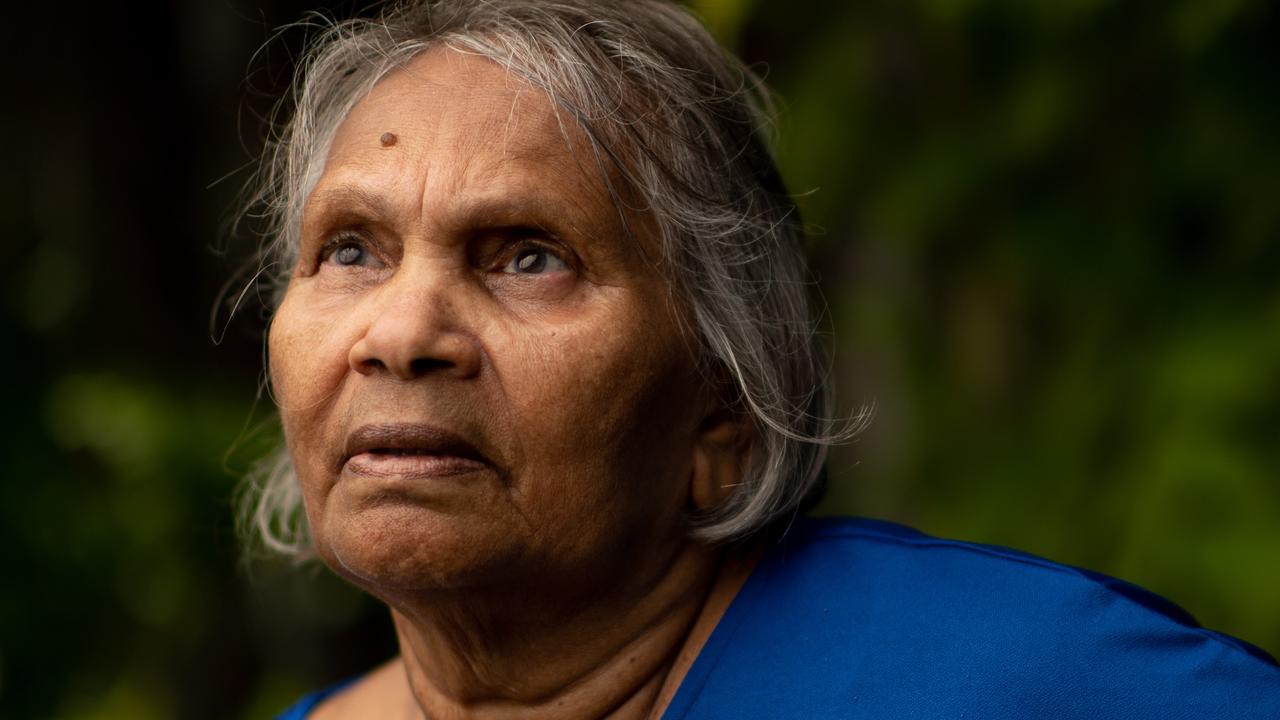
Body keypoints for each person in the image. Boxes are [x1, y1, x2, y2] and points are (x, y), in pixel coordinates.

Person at [235, 1, 1280, 717]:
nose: (403, 332)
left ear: (722, 404)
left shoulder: (1016, 681)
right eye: (351, 250)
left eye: (527, 257)